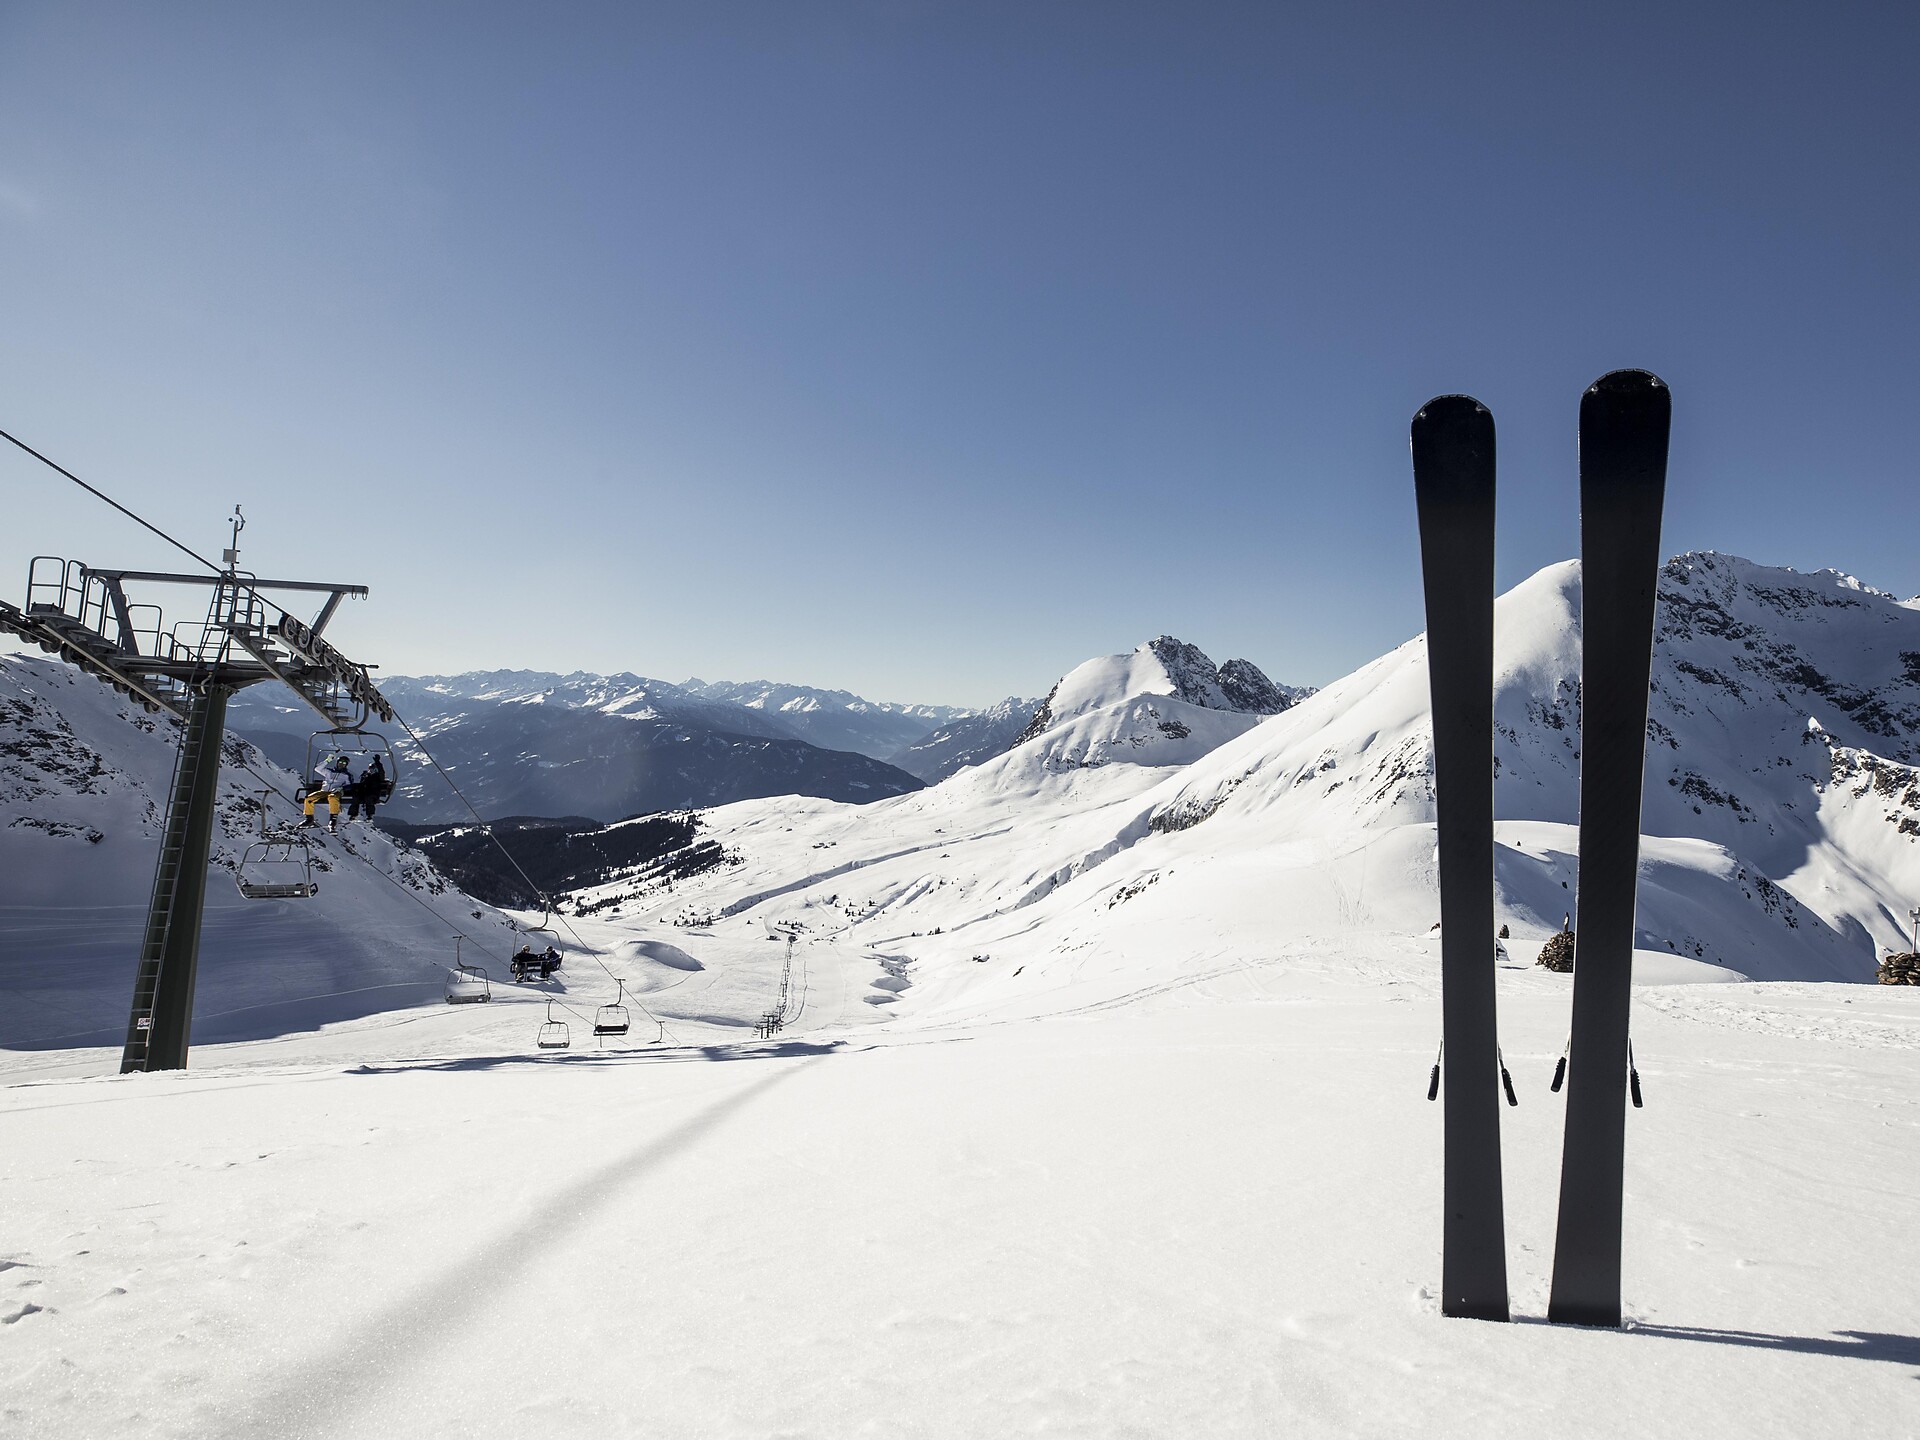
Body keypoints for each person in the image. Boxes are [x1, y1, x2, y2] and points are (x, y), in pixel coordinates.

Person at [300, 755, 353, 832]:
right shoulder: (329, 771)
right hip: (324, 791)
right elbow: (317, 769)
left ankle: (333, 819)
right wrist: (327, 760)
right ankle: (309, 818)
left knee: (332, 797)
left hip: (336, 791)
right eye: (340, 762)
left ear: (346, 765)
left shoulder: (347, 775)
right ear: (337, 762)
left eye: (344, 763)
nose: (342, 764)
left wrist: (341, 788)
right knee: (309, 798)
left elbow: (350, 785)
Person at [347, 754, 388, 822]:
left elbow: (381, 772)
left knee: (368, 799)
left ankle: (369, 815)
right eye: (370, 769)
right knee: (356, 798)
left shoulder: (378, 777)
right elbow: (361, 784)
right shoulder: (366, 776)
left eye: (373, 769)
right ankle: (353, 815)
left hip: (373, 793)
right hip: (364, 792)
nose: (372, 771)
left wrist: (377, 762)